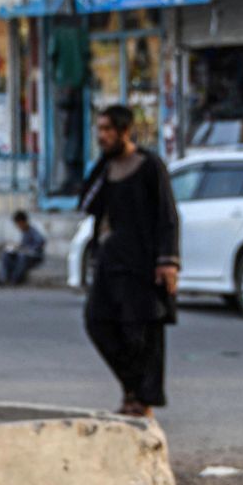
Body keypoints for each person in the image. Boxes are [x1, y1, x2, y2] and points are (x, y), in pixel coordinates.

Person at [79, 104, 180, 419]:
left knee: (141, 336)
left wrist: (168, 262)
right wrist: (104, 166)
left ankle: (140, 399)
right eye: (100, 130)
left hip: (142, 267)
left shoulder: (150, 166)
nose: (103, 136)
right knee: (98, 322)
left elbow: (167, 216)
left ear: (125, 131)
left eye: (109, 130)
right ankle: (131, 389)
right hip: (110, 264)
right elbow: (86, 203)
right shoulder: (105, 169)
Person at [0, 211, 45, 286]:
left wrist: (27, 248)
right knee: (6, 255)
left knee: (21, 256)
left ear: (22, 222)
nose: (18, 226)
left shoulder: (33, 231)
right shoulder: (24, 232)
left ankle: (14, 280)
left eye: (18, 224)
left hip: (34, 256)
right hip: (24, 253)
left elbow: (41, 242)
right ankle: (3, 279)